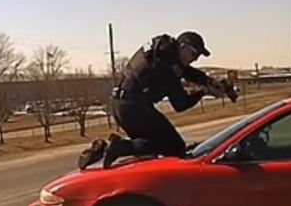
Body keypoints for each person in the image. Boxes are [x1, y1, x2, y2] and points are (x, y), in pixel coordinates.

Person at [77, 31, 237, 169]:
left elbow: (186, 71)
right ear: (183, 47)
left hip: (123, 104)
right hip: (133, 107)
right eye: (194, 54)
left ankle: (104, 149)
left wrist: (208, 81)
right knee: (174, 146)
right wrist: (204, 91)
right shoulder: (165, 64)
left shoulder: (165, 52)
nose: (195, 59)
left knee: (153, 144)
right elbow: (180, 104)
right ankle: (119, 147)